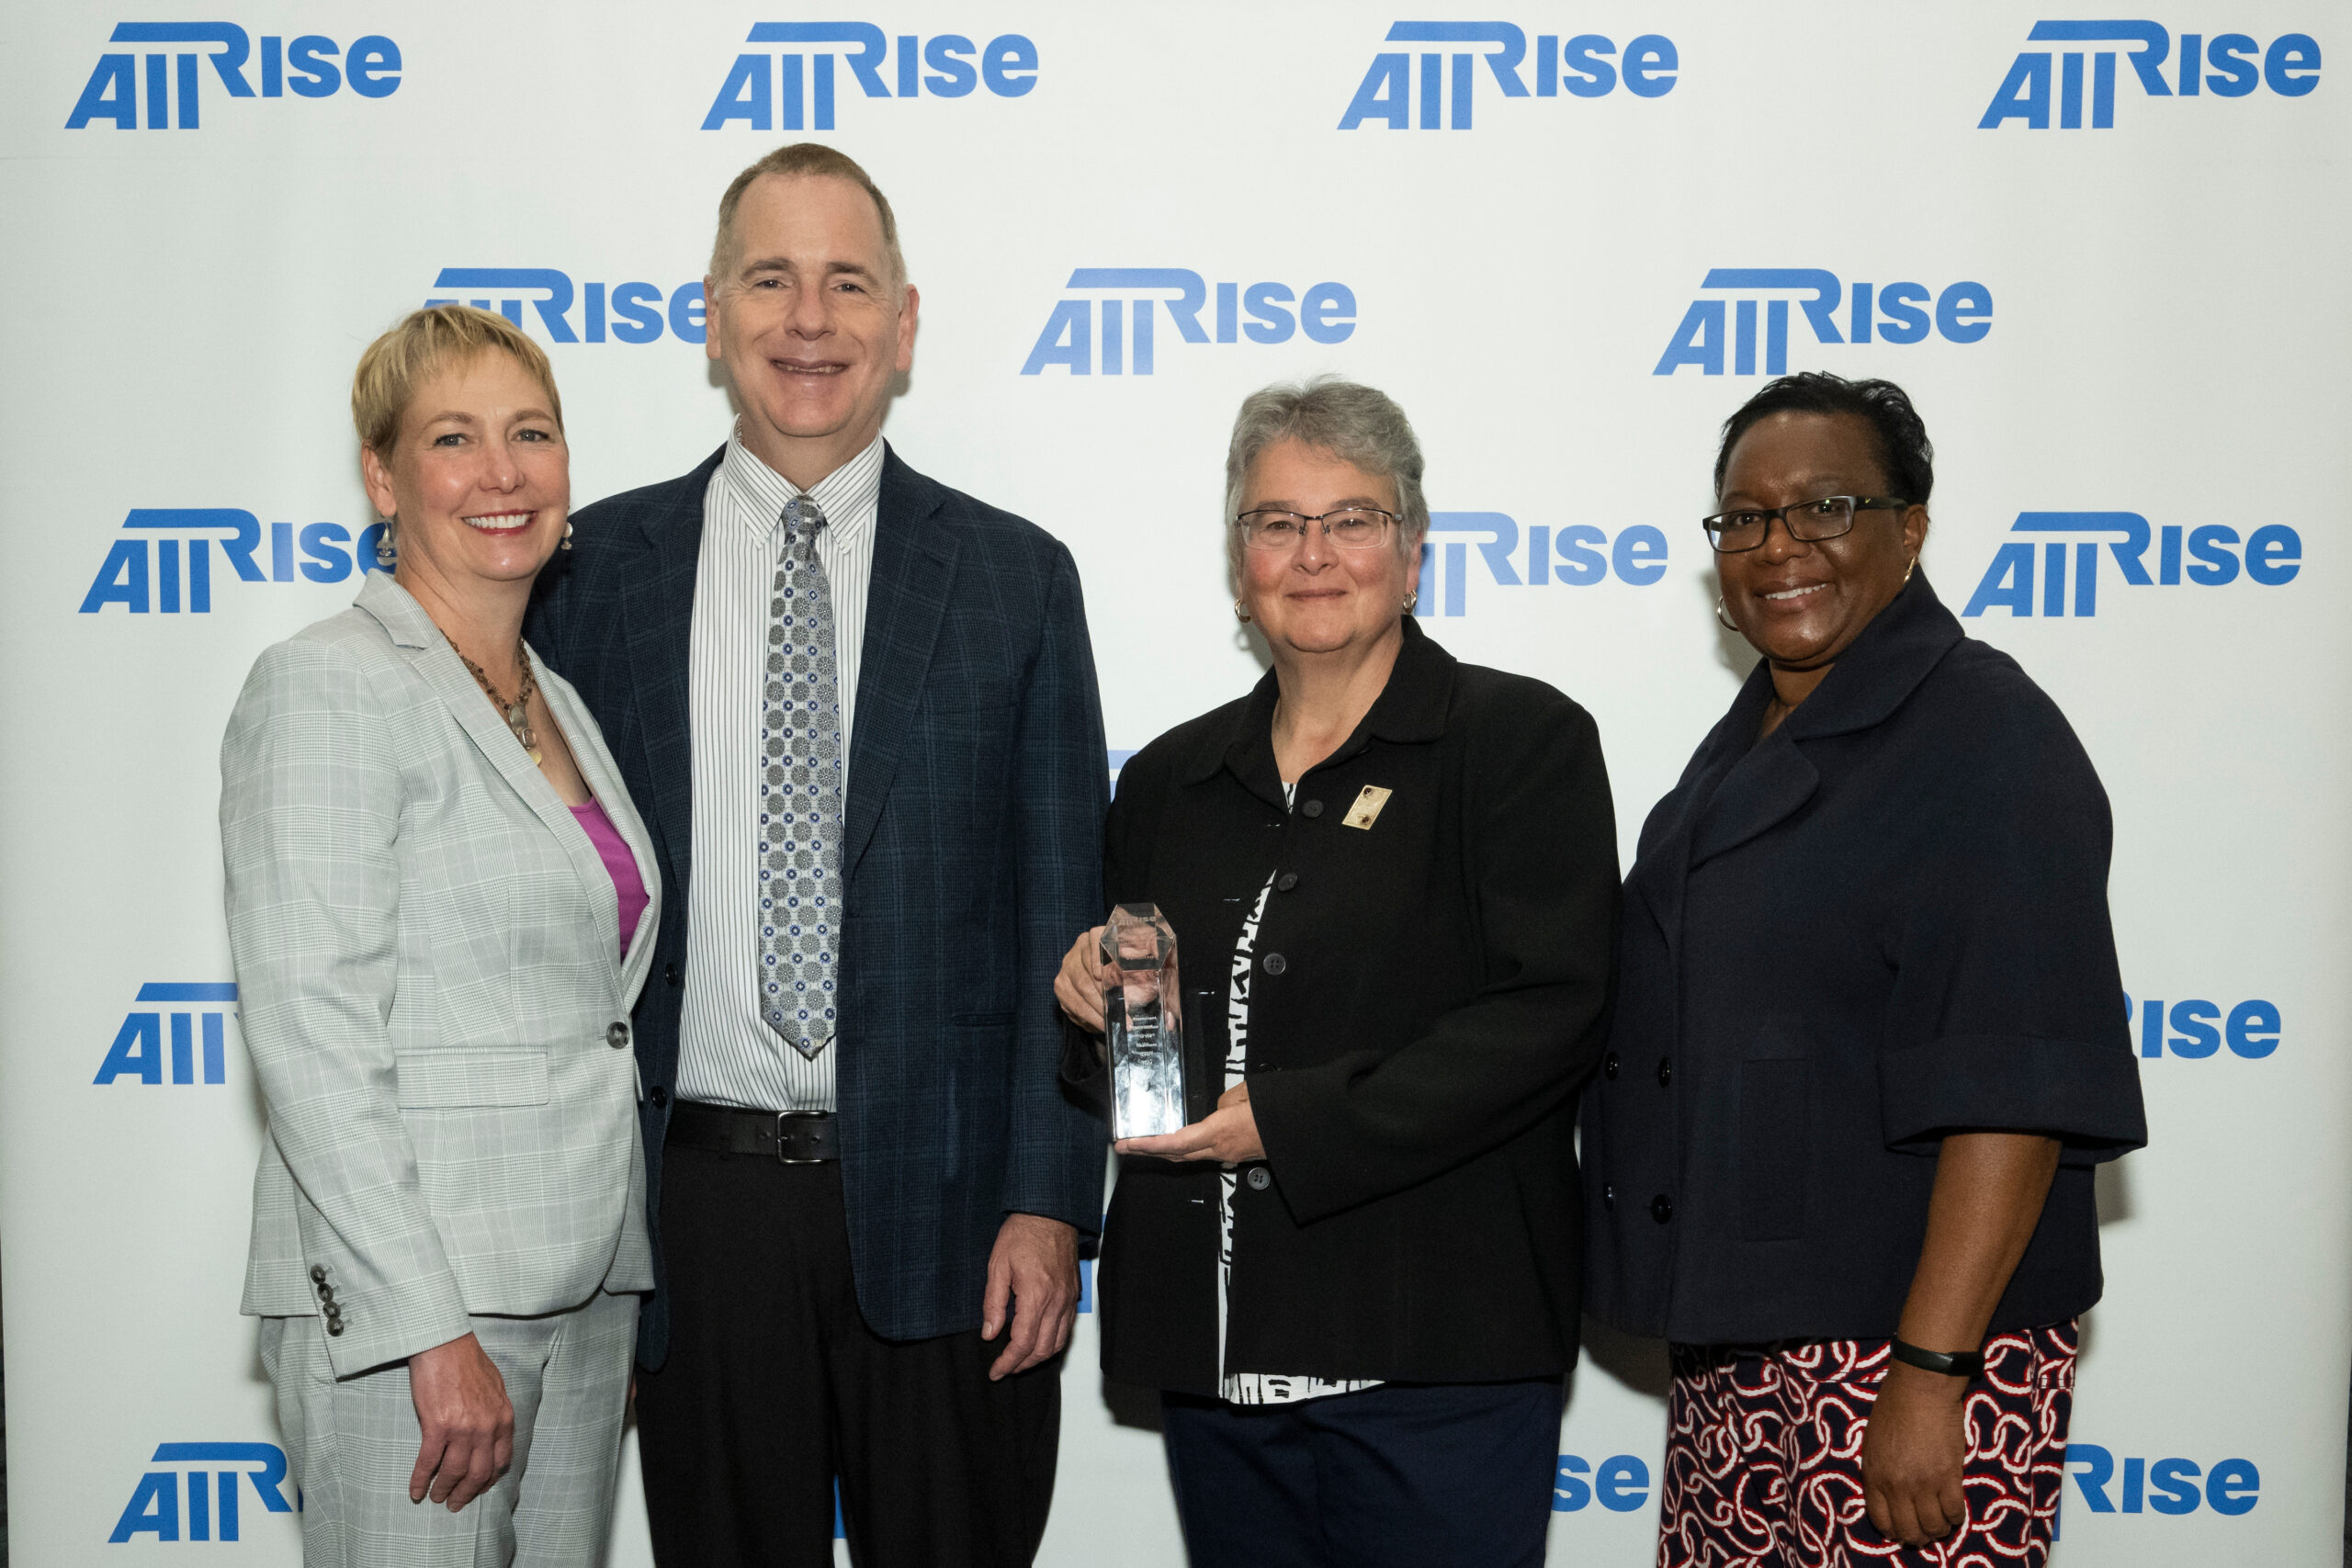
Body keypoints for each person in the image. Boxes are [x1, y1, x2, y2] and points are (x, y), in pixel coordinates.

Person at [524, 142, 1109, 1568]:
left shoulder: (1014, 578)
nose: (810, 321)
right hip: (690, 1218)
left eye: (849, 283)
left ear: (903, 324)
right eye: (771, 280)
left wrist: (1048, 1202)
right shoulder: (588, 573)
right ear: (711, 315)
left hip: (959, 1215)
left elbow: (1065, 910)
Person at [1580, 372, 2148, 1568]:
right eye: (1744, 518)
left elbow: (2014, 1090)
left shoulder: (1986, 735)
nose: (1778, 545)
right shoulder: (1744, 742)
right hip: (1744, 1348)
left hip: (1906, 1359)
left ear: (1912, 528)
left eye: (1824, 507)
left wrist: (1933, 1376)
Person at [1053, 378, 1620, 1568]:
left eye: (1351, 519)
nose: (1314, 554)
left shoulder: (1518, 745)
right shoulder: (1168, 781)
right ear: (1237, 555)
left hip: (1437, 1360)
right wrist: (1092, 1015)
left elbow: (1554, 1010)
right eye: (1277, 522)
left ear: (1413, 550)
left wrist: (1293, 1124)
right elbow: (1135, 1059)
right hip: (1218, 1360)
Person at [220, 304, 662, 1565]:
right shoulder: (330, 684)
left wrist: (607, 1287)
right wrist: (428, 1331)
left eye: (533, 434)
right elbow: (313, 1037)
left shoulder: (558, 697)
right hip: (423, 1317)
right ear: (382, 476)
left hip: (581, 1292)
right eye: (455, 438)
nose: (503, 472)